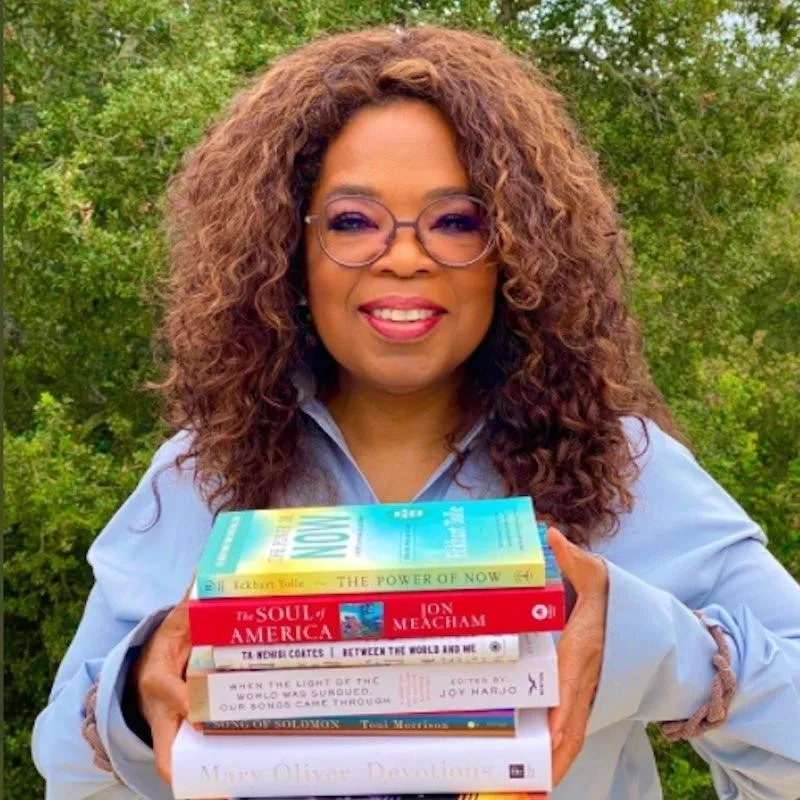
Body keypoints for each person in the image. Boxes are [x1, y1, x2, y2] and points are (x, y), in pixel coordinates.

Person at [32, 24, 800, 800]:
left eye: (456, 221)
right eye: (353, 222)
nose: (404, 256)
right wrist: (133, 697)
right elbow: (66, 768)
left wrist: (667, 654)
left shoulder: (623, 466)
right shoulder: (200, 476)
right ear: (286, 250)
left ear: (517, 249)